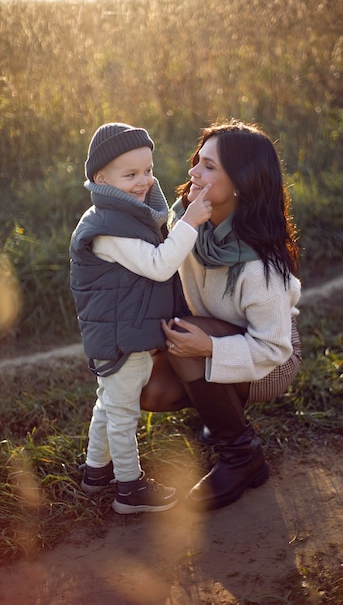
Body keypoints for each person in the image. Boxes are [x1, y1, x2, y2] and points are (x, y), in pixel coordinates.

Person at [140, 119, 302, 512]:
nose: (193, 170)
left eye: (209, 166)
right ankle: (219, 407)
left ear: (241, 184)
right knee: (150, 389)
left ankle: (241, 455)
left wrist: (209, 347)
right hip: (209, 337)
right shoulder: (189, 224)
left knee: (185, 338)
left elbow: (274, 347)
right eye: (198, 159)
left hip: (270, 360)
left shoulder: (262, 268)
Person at [69, 122, 212, 514]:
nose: (142, 181)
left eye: (147, 170)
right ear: (101, 178)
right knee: (122, 412)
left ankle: (96, 473)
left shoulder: (121, 215)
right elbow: (159, 265)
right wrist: (190, 222)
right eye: (129, 175)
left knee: (109, 405)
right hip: (121, 340)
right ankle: (129, 489)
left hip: (122, 333)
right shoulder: (108, 229)